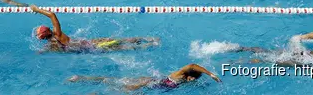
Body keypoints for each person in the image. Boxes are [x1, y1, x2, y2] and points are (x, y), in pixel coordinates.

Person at [30, 5, 160, 53]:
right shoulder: (54, 38)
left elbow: (53, 15)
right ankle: (147, 41)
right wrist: (37, 9)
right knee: (119, 42)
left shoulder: (56, 38)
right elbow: (52, 15)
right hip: (90, 45)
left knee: (119, 45)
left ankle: (147, 43)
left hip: (89, 47)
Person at [68, 64, 221, 89]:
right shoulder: (180, 74)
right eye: (195, 78)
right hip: (147, 82)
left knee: (115, 83)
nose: (194, 81)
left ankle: (83, 79)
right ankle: (81, 78)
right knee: (115, 83)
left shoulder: (187, 80)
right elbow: (192, 64)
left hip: (152, 85)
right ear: (189, 76)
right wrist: (211, 74)